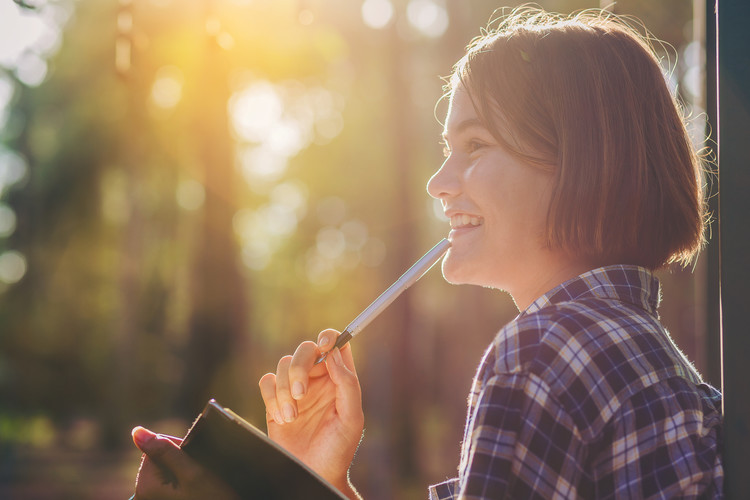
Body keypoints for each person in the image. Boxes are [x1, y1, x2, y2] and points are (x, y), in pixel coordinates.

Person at [130, 6, 723, 499]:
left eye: (475, 144)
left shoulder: (544, 352)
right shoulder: (647, 359)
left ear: (580, 165)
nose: (440, 181)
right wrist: (322, 477)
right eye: (447, 148)